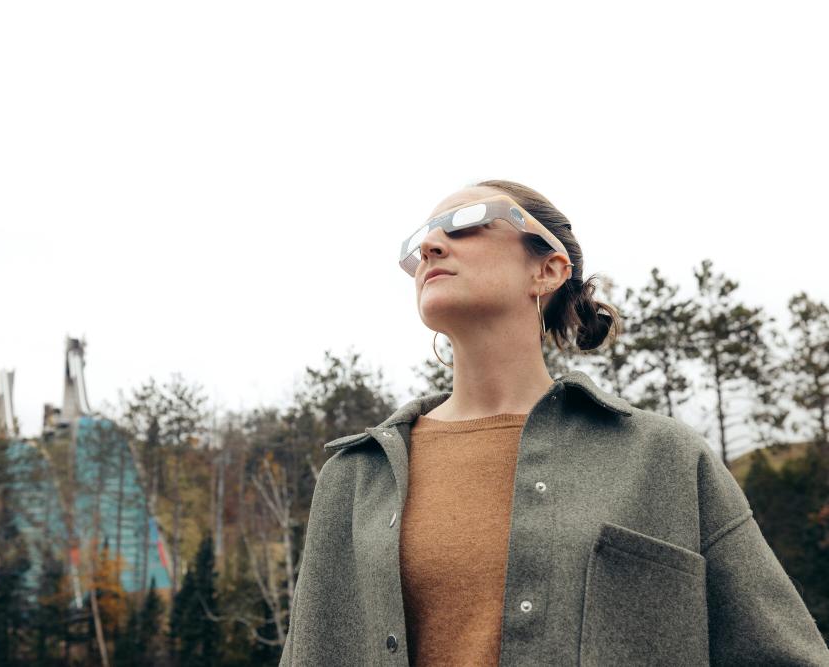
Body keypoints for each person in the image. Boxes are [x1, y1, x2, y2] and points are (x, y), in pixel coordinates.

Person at [279, 179, 829, 666]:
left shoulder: (665, 459)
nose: (429, 245)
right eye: (417, 243)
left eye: (467, 224)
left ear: (548, 268)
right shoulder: (351, 479)